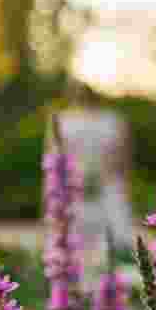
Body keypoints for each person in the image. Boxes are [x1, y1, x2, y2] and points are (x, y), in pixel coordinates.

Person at [54, 81, 138, 273]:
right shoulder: (66, 120)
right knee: (76, 241)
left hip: (101, 185)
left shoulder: (110, 120)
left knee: (112, 238)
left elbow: (124, 158)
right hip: (78, 187)